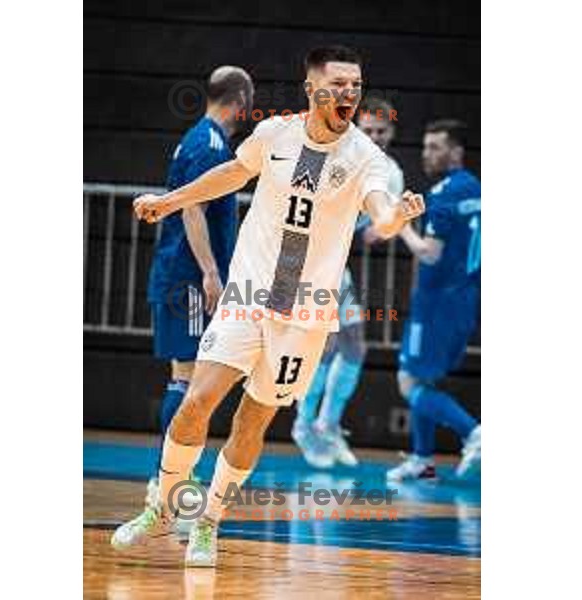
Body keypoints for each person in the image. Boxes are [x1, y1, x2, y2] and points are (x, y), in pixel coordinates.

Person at [133, 45, 425, 568]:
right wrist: (170, 201)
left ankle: (208, 522)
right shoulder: (274, 134)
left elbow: (380, 210)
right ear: (312, 89)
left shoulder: (366, 158)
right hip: (249, 295)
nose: (349, 94)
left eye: (355, 85)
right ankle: (164, 503)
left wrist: (393, 218)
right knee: (196, 399)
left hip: (305, 313)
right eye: (338, 84)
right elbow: (230, 174)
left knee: (252, 422)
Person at [111, 66, 254, 548]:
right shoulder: (209, 145)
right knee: (188, 379)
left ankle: (170, 490)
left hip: (184, 276)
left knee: (189, 379)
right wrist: (211, 272)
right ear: (240, 102)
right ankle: (166, 490)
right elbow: (192, 208)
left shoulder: (199, 138)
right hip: (189, 279)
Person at [292, 96, 405, 468]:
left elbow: (383, 223)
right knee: (325, 346)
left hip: (338, 264)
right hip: (312, 260)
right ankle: (306, 425)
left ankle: (325, 423)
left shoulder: (390, 170)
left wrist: (386, 228)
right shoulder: (338, 156)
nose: (376, 136)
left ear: (392, 133)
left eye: (382, 131)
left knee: (353, 347)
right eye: (369, 129)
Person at [387, 119, 481, 482]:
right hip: (464, 300)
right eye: (425, 146)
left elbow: (428, 253)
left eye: (435, 147)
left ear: (456, 151)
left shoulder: (442, 195)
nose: (427, 153)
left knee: (408, 382)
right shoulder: (473, 186)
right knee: (428, 380)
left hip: (436, 304)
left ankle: (475, 433)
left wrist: (403, 224)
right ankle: (422, 460)